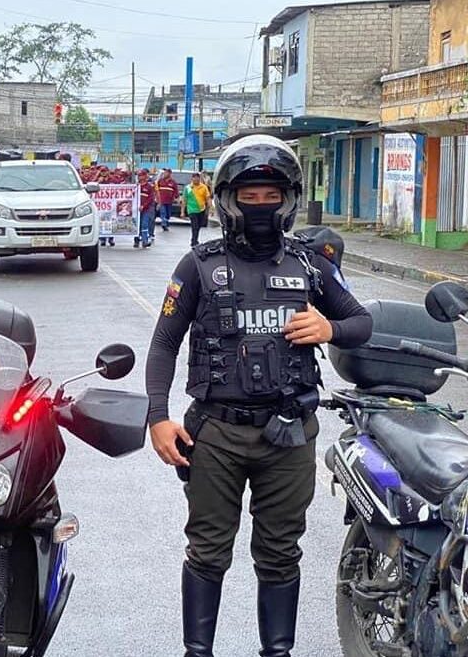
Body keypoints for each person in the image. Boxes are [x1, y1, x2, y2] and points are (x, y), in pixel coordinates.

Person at [144, 136, 373, 657]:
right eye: (251, 195)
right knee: (206, 553)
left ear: (289, 199)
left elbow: (362, 321)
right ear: (228, 200)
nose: (262, 206)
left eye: (273, 195)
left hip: (288, 435)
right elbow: (163, 343)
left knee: (280, 555)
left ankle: (279, 652)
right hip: (217, 434)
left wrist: (328, 327)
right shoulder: (197, 266)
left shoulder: (311, 264)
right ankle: (196, 651)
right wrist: (157, 417)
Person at [182, 172, 214, 247]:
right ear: (192, 178)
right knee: (195, 226)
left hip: (201, 209)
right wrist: (182, 211)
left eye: (197, 177)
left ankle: (195, 239)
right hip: (192, 210)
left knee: (199, 225)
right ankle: (194, 241)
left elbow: (208, 198)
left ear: (200, 178)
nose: (196, 179)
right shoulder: (188, 188)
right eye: (194, 177)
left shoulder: (204, 187)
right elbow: (184, 200)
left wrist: (211, 208)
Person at [136, 170, 157, 248]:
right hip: (136, 209)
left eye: (141, 175)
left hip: (146, 209)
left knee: (144, 224)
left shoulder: (149, 187)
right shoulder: (136, 186)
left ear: (145, 176)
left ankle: (145, 241)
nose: (140, 177)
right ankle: (136, 240)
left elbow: (150, 198)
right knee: (137, 225)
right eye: (139, 176)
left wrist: (143, 206)